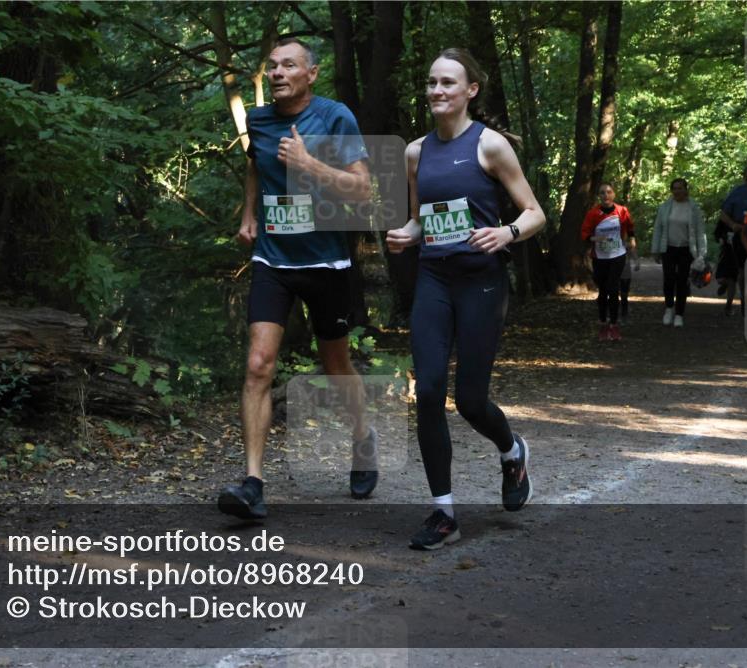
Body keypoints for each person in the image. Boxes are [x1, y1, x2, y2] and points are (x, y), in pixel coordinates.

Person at [386, 48, 545, 550]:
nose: (436, 91)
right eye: (431, 82)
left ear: (470, 91)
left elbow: (535, 213)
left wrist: (506, 233)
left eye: (448, 83)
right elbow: (421, 217)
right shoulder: (415, 152)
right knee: (429, 392)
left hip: (481, 282)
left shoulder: (491, 146)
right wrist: (407, 233)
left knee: (472, 401)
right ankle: (444, 512)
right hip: (434, 279)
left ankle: (512, 449)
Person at [217, 38, 379, 520]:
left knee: (335, 365)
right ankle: (253, 483)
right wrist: (249, 214)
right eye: (272, 66)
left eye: (289, 65)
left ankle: (362, 439)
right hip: (273, 260)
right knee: (258, 363)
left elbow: (365, 187)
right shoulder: (261, 120)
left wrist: (310, 164)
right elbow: (256, 168)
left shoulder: (335, 117)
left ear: (312, 73)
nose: (278, 73)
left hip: (326, 263)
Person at [650, 178, 706, 328]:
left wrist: (701, 253)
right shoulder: (665, 207)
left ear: (686, 189)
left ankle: (679, 314)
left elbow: (700, 231)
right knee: (668, 279)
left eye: (680, 188)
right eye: (674, 188)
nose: (677, 191)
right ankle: (669, 308)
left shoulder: (693, 207)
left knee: (682, 281)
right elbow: (658, 229)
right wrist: (655, 250)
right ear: (671, 190)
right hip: (668, 248)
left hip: (686, 249)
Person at [581, 183, 633, 340]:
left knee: (613, 288)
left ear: (614, 194)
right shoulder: (593, 214)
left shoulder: (621, 211)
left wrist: (632, 240)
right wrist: (594, 238)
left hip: (618, 255)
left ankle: (614, 325)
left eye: (609, 192)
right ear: (599, 196)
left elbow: (630, 227)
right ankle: (603, 324)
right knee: (603, 291)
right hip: (600, 257)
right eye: (602, 193)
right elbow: (584, 233)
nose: (606, 195)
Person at [718, 164, 747, 315]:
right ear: (744, 176)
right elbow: (723, 214)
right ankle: (744, 301)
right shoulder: (737, 192)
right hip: (741, 234)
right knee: (743, 271)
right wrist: (733, 225)